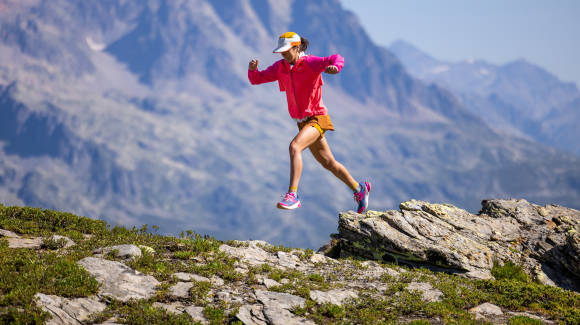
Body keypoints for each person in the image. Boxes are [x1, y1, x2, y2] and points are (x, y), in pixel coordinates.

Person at [248, 32, 371, 213]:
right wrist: (252, 70)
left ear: (297, 48)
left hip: (317, 118)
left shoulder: (311, 63)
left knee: (294, 147)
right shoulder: (280, 67)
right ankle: (359, 189)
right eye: (281, 51)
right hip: (302, 122)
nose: (283, 54)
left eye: (286, 51)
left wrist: (335, 67)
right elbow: (256, 79)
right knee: (329, 163)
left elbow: (337, 58)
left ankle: (293, 195)